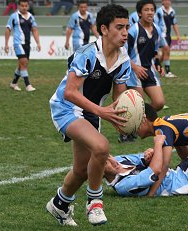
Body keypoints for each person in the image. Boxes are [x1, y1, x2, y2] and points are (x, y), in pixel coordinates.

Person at [46, 4, 131, 226]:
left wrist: (126, 117)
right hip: (65, 107)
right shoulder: (86, 54)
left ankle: (60, 204)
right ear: (104, 29)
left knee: (82, 170)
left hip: (91, 113)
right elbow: (70, 92)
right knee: (101, 147)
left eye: (127, 27)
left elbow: (118, 101)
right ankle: (95, 202)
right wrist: (102, 111)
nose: (125, 33)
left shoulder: (124, 60)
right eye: (119, 27)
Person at [126, 0, 165, 112]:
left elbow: (155, 51)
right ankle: (137, 121)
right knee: (139, 106)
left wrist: (158, 64)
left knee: (159, 103)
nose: (150, 13)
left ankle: (141, 116)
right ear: (139, 13)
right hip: (134, 73)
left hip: (149, 71)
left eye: (152, 10)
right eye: (146, 10)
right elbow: (122, 54)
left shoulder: (157, 29)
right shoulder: (133, 31)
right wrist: (135, 67)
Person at [5, 0, 41, 92]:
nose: (24, 7)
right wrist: (6, 44)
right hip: (18, 43)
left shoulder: (31, 17)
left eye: (26, 6)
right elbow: (8, 29)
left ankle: (13, 83)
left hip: (27, 44)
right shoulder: (14, 16)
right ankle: (28, 85)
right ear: (18, 6)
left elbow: (34, 30)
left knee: (22, 64)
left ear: (28, 6)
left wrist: (38, 43)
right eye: (22, 6)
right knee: (24, 62)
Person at [156, 0, 180, 78]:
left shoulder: (172, 11)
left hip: (168, 36)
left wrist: (178, 35)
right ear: (162, 2)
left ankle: (155, 68)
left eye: (169, 0)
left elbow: (174, 23)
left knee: (164, 55)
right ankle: (168, 71)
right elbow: (155, 23)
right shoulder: (159, 11)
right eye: (165, 0)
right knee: (167, 51)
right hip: (161, 35)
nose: (167, 2)